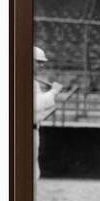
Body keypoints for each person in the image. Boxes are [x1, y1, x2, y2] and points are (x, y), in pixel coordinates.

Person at [33, 46, 62, 180]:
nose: (42, 65)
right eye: (38, 61)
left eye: (42, 62)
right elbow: (35, 105)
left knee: (33, 171)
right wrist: (53, 92)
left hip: (33, 129)